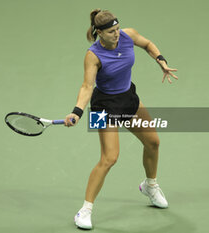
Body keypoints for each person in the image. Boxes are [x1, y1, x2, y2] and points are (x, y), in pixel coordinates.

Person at [64, 9, 178, 230]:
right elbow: (87, 86)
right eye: (111, 32)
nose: (117, 34)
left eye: (117, 29)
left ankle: (150, 185)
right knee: (109, 158)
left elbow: (147, 44)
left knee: (153, 142)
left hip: (128, 98)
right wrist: (77, 112)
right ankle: (85, 210)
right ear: (99, 33)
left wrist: (161, 61)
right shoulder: (93, 55)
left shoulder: (128, 35)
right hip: (103, 106)